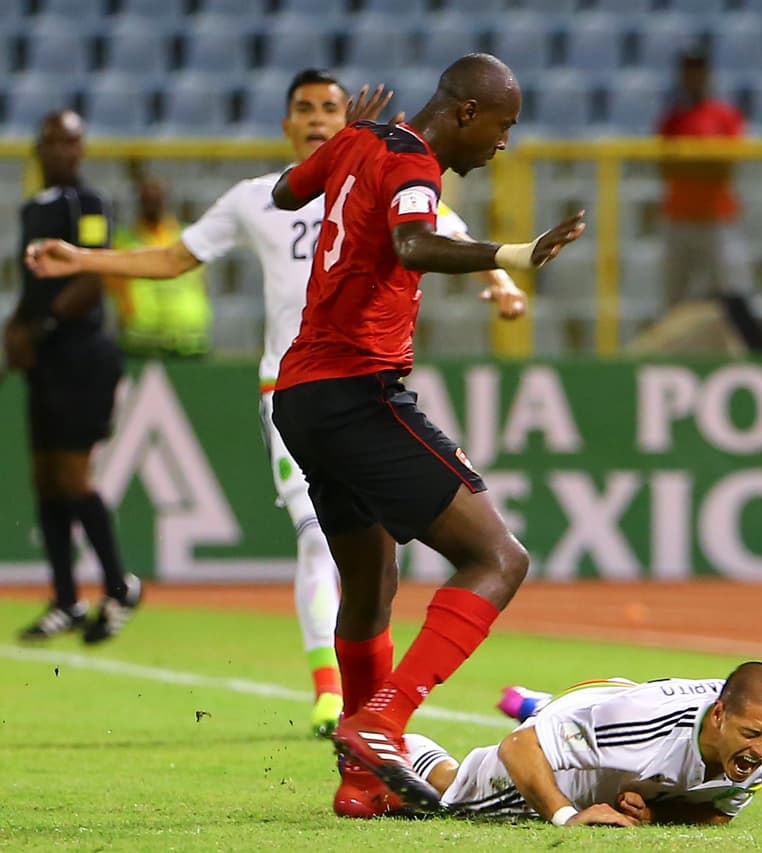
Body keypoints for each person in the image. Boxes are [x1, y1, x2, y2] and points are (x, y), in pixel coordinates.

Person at [24, 69, 520, 741]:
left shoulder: (377, 163)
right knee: (341, 544)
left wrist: (500, 284)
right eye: (304, 108)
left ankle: (360, 754)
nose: (318, 118)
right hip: (318, 388)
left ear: (349, 116)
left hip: (317, 392)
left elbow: (443, 226)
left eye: (330, 108)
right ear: (287, 123)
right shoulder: (259, 196)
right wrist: (84, 259)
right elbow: (174, 259)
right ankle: (346, 705)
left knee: (372, 579)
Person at [267, 53, 586, 817]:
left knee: (371, 587)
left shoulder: (362, 141)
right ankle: (384, 719)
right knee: (499, 557)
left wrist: (348, 139)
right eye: (504, 127)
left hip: (301, 396)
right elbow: (413, 244)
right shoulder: (415, 163)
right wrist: (511, 253)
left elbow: (286, 191)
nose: (504, 145)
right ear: (468, 113)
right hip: (358, 390)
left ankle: (360, 782)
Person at [4, 111, 142, 645]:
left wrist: (38, 328)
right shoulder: (34, 209)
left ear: (82, 149)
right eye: (53, 142)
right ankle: (65, 598)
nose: (63, 151)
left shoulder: (87, 206)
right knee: (45, 478)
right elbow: (32, 285)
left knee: (71, 475)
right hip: (46, 357)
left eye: (72, 142)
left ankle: (118, 584)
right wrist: (15, 332)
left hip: (81, 354)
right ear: (39, 149)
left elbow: (93, 275)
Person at [402, 662, 762, 826]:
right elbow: (519, 746)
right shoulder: (645, 726)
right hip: (612, 716)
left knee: (601, 733)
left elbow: (718, 812)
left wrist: (656, 815)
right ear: (719, 716)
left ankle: (541, 707)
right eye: (751, 735)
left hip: (614, 715)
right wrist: (566, 815)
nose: (761, 750)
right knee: (450, 798)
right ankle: (396, 744)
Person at [655, 47, 752, 313]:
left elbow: (727, 167)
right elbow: (666, 168)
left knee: (729, 293)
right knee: (674, 296)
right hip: (679, 218)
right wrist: (705, 161)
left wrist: (689, 163)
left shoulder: (725, 116)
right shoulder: (672, 119)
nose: (693, 75)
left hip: (717, 218)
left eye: (698, 69)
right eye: (688, 69)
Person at [107, 176, 212, 358]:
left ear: (166, 199)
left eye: (158, 197)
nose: (153, 202)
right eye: (147, 198)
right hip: (141, 340)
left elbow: (201, 284)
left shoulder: (188, 238)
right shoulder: (122, 241)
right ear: (138, 201)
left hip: (188, 339)